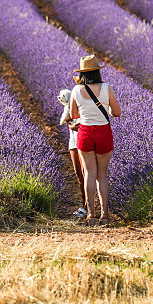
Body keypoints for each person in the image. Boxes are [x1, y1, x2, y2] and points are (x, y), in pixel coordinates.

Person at [63, 55, 121, 227]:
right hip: (103, 132)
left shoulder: (76, 90)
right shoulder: (106, 88)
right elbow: (117, 112)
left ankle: (91, 215)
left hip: (86, 132)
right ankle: (105, 216)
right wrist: (106, 110)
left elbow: (74, 116)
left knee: (89, 174)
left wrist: (86, 111)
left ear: (82, 74)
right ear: (97, 72)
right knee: (102, 175)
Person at [57, 89, 87, 218]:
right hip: (73, 142)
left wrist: (75, 123)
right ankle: (85, 204)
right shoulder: (69, 107)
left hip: (84, 141)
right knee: (79, 174)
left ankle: (88, 206)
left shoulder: (83, 105)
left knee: (87, 174)